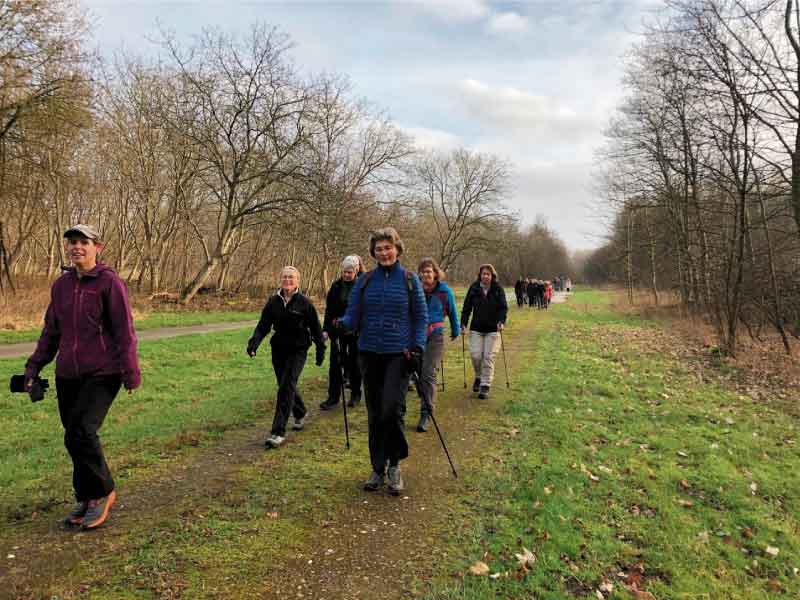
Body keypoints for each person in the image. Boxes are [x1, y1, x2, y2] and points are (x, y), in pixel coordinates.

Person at [24, 224, 140, 529]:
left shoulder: (109, 283)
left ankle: (104, 492)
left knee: (83, 431)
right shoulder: (61, 286)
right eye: (72, 242)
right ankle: (86, 496)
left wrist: (130, 370)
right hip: (68, 374)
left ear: (97, 247)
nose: (77, 247)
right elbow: (50, 332)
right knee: (73, 436)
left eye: (83, 242)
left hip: (104, 371)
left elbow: (124, 330)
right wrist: (33, 367)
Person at [337, 228, 427, 495]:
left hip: (398, 354)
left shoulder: (410, 280)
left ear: (397, 249)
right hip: (368, 353)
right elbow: (352, 315)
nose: (384, 252)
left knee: (392, 409)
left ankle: (395, 465)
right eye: (378, 249)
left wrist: (418, 347)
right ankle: (377, 467)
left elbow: (420, 318)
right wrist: (341, 325)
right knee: (375, 412)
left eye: (388, 247)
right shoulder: (365, 282)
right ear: (373, 253)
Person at [247, 266, 325, 449]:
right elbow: (263, 325)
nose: (287, 280)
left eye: (291, 277)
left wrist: (321, 350)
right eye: (284, 277)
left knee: (286, 386)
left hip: (298, 349)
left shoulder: (305, 303)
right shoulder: (273, 301)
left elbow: (316, 328)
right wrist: (254, 343)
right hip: (279, 349)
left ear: (298, 281)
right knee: (285, 384)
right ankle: (300, 411)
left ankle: (278, 432)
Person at [415, 257, 459, 433]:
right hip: (417, 336)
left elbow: (453, 311)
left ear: (435, 273)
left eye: (429, 271)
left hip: (436, 335)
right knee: (418, 373)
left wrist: (455, 329)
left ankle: (426, 413)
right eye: (423, 271)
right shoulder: (414, 288)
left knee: (428, 373)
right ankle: (426, 395)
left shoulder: (444, 291)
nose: (426, 274)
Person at [320, 255, 364, 411]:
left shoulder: (361, 286)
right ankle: (333, 398)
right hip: (336, 331)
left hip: (355, 332)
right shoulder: (336, 286)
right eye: (345, 271)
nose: (347, 275)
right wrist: (325, 330)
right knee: (335, 365)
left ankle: (355, 394)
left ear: (356, 271)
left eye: (350, 272)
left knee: (354, 364)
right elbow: (329, 310)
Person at [460, 264, 508, 400]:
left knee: (488, 357)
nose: (485, 276)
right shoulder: (474, 288)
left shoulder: (498, 289)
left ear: (492, 276)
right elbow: (467, 307)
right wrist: (463, 322)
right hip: (476, 328)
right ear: (480, 275)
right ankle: (478, 376)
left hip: (493, 329)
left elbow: (503, 308)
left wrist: (501, 321)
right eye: (483, 274)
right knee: (476, 356)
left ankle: (485, 385)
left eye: (488, 274)